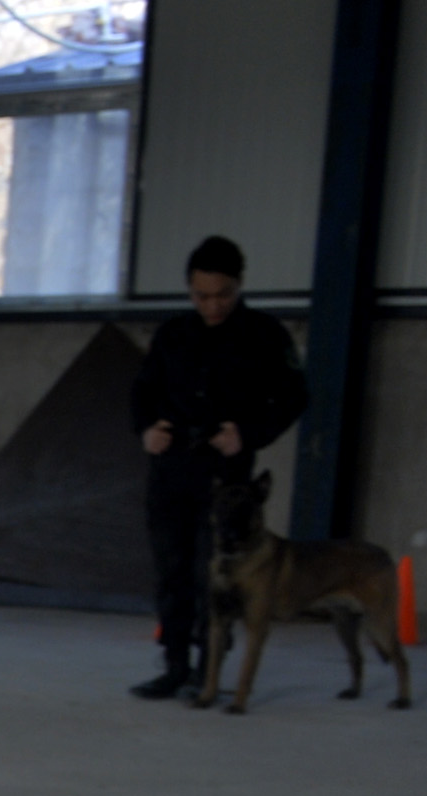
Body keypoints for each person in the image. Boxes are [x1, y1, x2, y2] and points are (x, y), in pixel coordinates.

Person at [129, 235, 307, 700]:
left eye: (223, 294)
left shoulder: (264, 335)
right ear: (190, 290)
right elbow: (142, 392)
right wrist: (147, 430)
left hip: (226, 480)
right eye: (201, 296)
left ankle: (207, 673)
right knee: (171, 571)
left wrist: (248, 433)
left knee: (216, 576)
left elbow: (293, 396)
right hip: (171, 473)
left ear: (239, 285)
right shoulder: (173, 335)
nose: (212, 305)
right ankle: (172, 665)